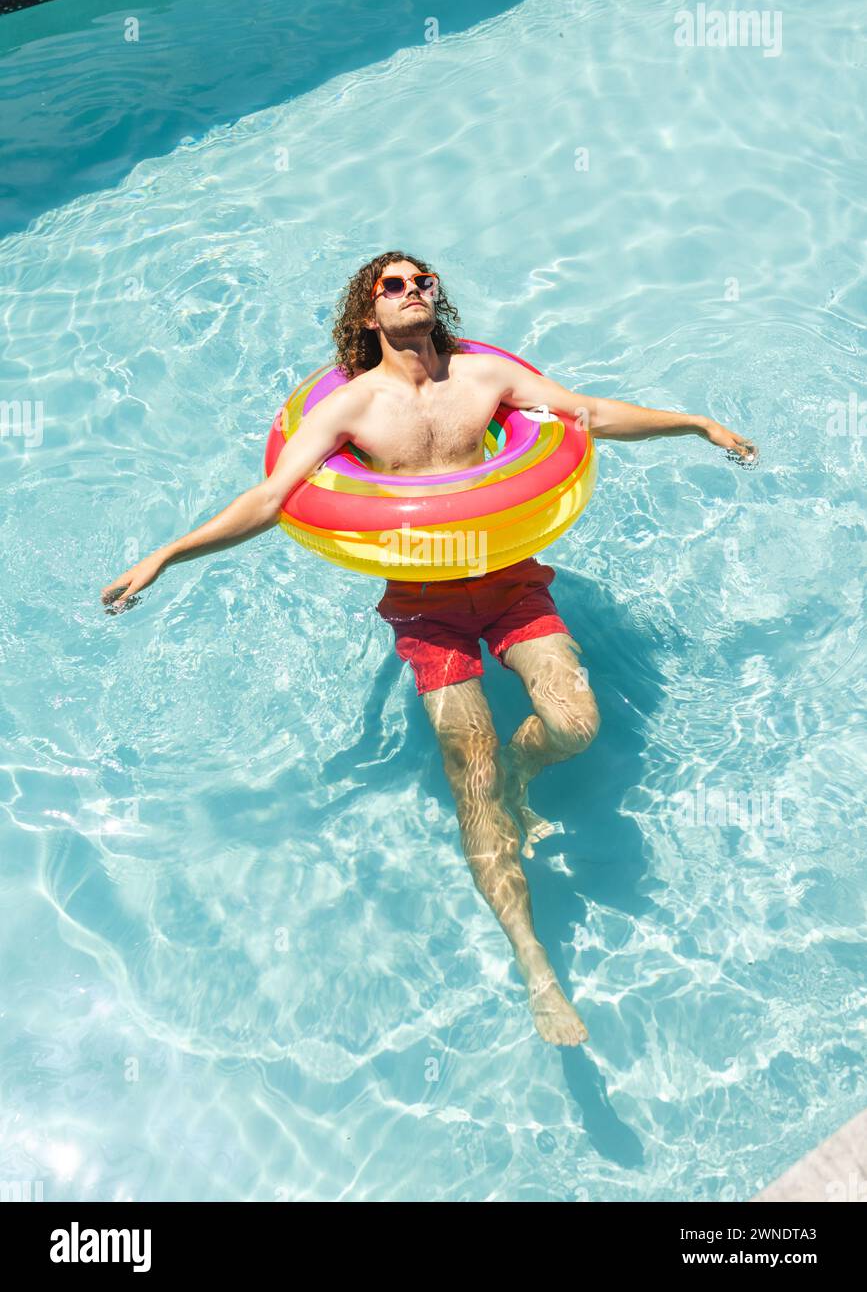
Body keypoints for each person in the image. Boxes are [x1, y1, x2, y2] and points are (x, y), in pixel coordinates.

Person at [102, 251, 758, 1047]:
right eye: (394, 285)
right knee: (469, 771)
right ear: (368, 310)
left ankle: (526, 767)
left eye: (423, 282)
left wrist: (693, 422)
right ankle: (534, 964)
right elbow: (271, 499)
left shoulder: (481, 381)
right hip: (424, 603)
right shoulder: (352, 407)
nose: (414, 292)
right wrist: (165, 555)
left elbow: (584, 413)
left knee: (574, 723)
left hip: (510, 577)